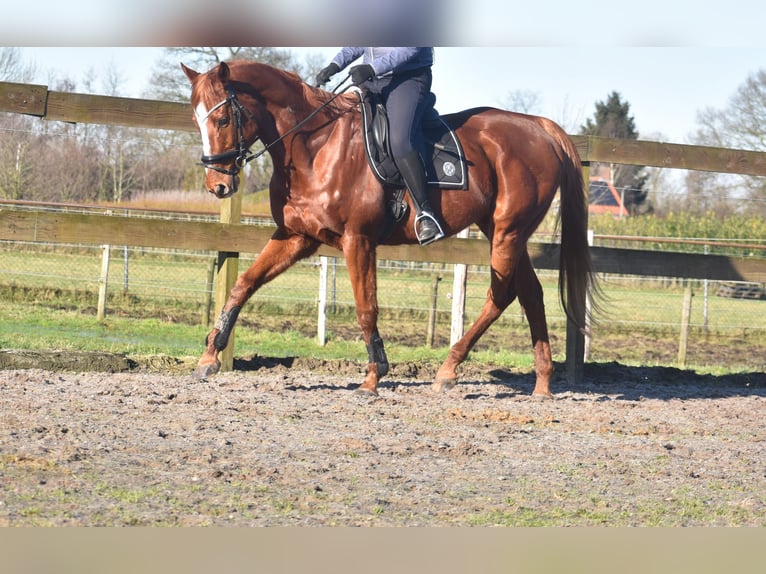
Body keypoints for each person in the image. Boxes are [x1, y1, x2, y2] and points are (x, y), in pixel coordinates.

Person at [316, 47, 445, 245]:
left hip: (407, 78)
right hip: (372, 81)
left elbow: (410, 49)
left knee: (399, 140)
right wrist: (335, 65)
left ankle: (426, 213)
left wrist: (372, 68)